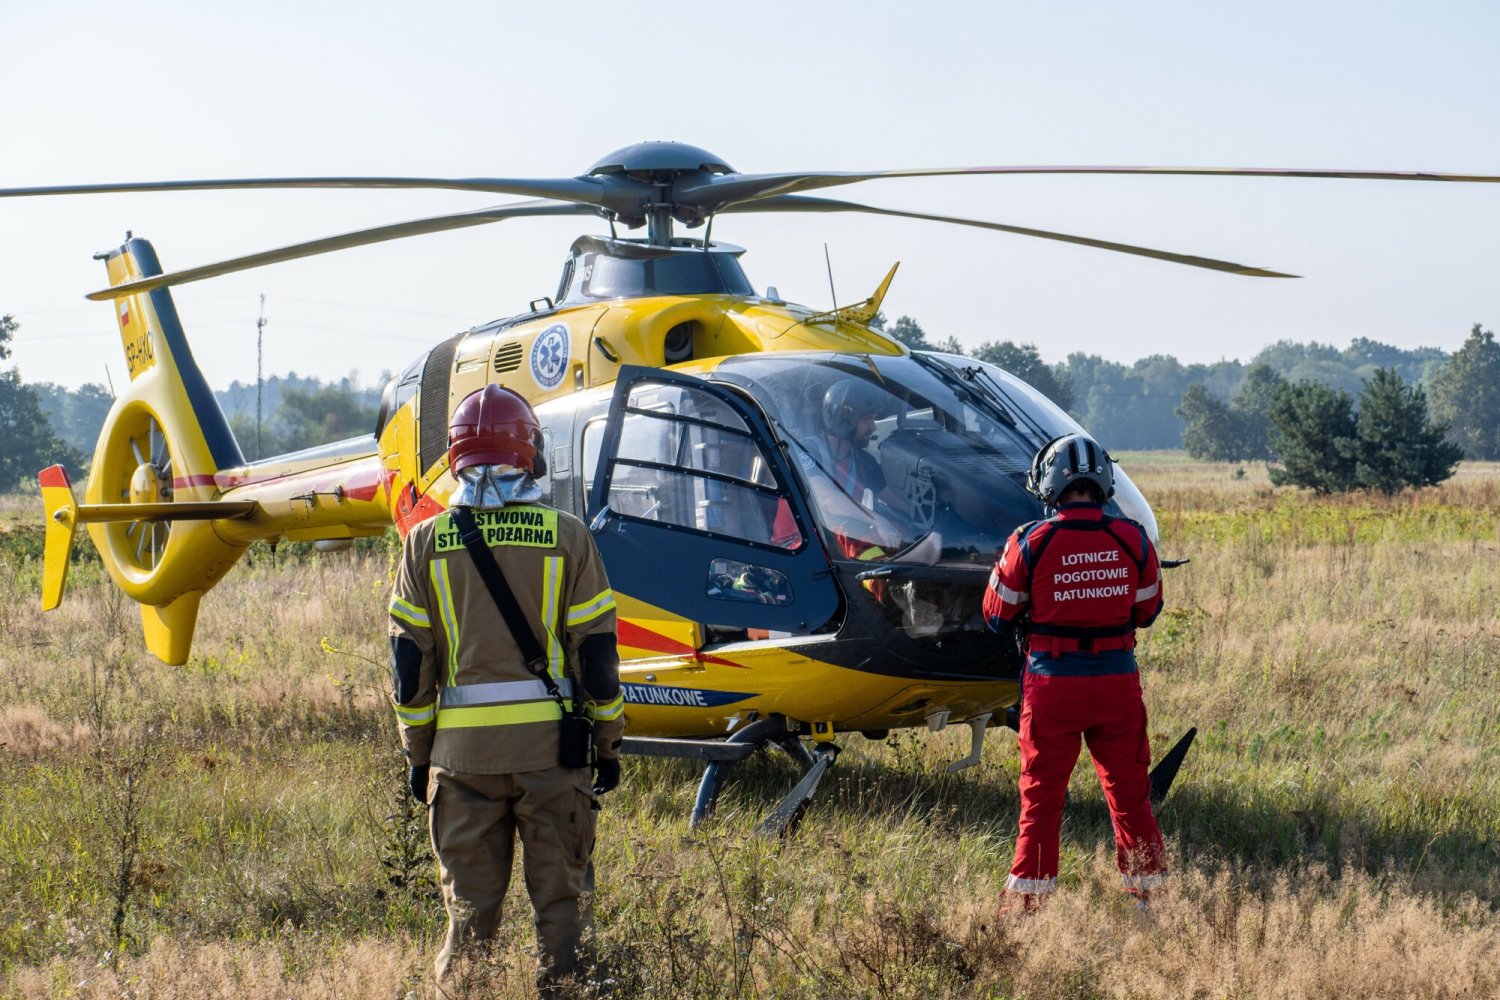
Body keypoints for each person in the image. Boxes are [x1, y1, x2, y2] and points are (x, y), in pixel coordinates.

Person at [388, 384, 625, 994]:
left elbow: (410, 668)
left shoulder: (423, 544)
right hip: (554, 759)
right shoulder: (567, 537)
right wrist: (608, 743)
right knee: (563, 913)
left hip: (462, 767)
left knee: (468, 922)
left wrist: (419, 756)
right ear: (530, 453)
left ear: (457, 457)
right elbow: (597, 659)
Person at [983, 433, 1166, 912]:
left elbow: (997, 615)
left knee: (1041, 802)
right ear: (1103, 481)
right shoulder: (1133, 540)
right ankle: (1149, 902)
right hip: (1116, 684)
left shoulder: (1030, 542)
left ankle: (1028, 909)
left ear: (1047, 484)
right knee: (1130, 796)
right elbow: (1149, 610)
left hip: (1052, 686)